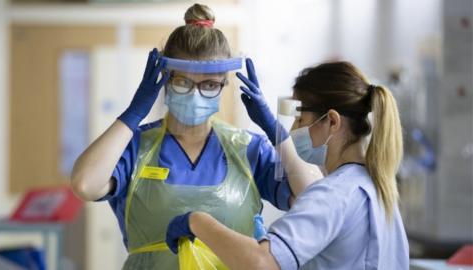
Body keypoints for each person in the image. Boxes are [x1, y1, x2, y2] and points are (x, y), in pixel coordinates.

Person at [70, 4, 307, 269]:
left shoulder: (248, 149)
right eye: (183, 82)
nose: (195, 94)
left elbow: (314, 199)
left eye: (209, 85)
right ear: (164, 80)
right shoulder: (136, 147)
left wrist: (275, 130)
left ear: (223, 85)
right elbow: (85, 184)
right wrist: (134, 113)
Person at [165, 60, 410, 269]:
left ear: (332, 122)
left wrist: (196, 222)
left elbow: (262, 263)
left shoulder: (334, 194)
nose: (293, 131)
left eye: (300, 119)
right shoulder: (375, 188)